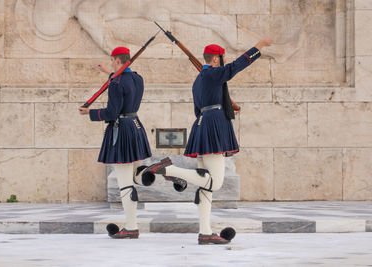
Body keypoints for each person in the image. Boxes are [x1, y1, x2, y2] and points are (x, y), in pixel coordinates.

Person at [144, 38, 273, 245]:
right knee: (215, 181)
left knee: (206, 185)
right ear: (215, 59)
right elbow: (237, 66)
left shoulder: (199, 80)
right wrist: (259, 46)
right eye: (221, 59)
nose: (223, 63)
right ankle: (168, 170)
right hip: (214, 126)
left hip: (202, 123)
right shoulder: (214, 73)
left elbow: (199, 108)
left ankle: (205, 232)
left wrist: (225, 108)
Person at [79, 47, 154, 239]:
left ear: (117, 60)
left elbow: (112, 113)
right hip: (135, 125)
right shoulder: (138, 78)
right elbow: (124, 84)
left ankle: (131, 227)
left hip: (121, 130)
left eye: (112, 62)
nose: (112, 64)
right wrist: (109, 73)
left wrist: (91, 113)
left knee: (125, 184)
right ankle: (153, 170)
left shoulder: (116, 83)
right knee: (135, 174)